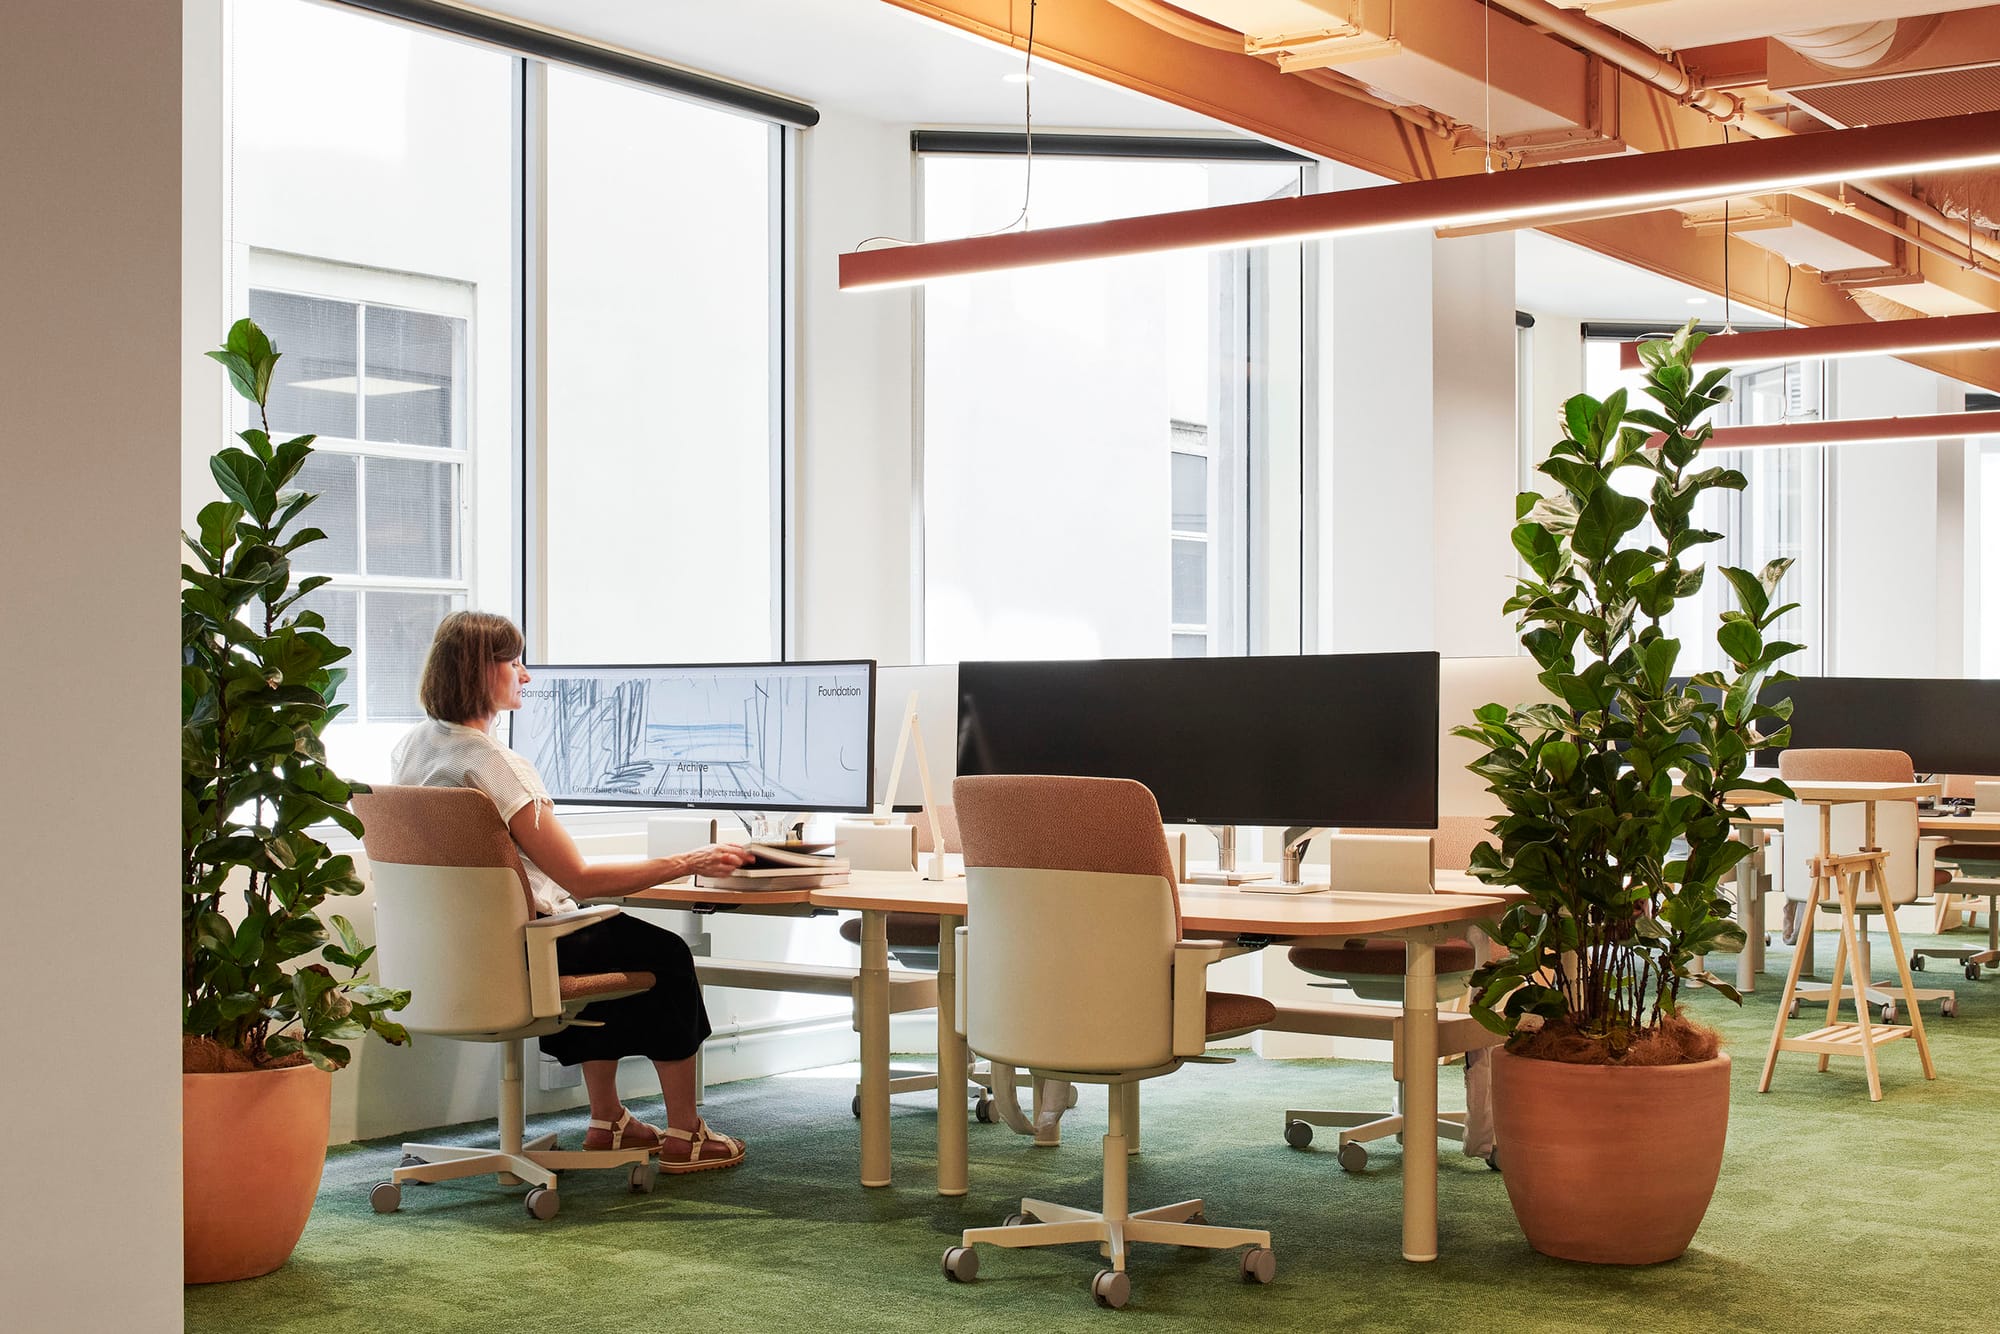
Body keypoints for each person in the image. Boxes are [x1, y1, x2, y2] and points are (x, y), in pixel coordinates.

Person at [389, 610, 753, 1172]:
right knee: (669, 955)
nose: (526, 676)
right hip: (526, 946)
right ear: (482, 671)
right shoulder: (494, 764)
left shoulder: (415, 748)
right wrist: (692, 860)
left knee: (605, 932)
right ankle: (686, 1133)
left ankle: (608, 1122)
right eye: (515, 663)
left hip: (453, 952)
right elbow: (578, 879)